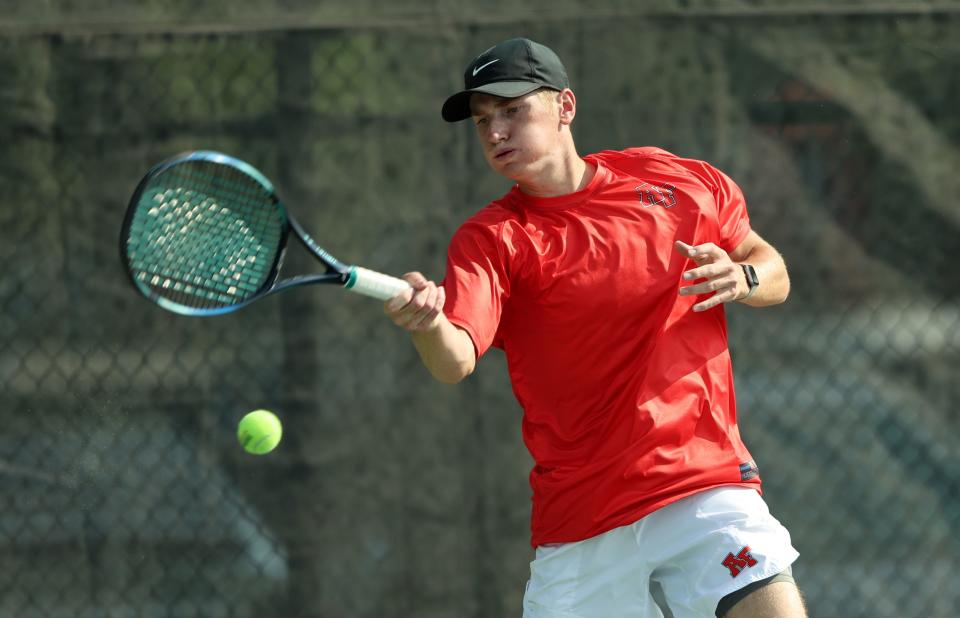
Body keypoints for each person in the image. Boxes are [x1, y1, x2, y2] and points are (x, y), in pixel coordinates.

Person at [384, 37, 807, 618]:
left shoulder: (675, 181)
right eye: (483, 122)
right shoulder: (492, 239)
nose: (496, 133)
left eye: (512, 111)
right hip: (581, 517)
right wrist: (427, 324)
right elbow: (454, 358)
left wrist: (743, 277)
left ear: (565, 107)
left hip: (702, 483)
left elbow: (773, 267)